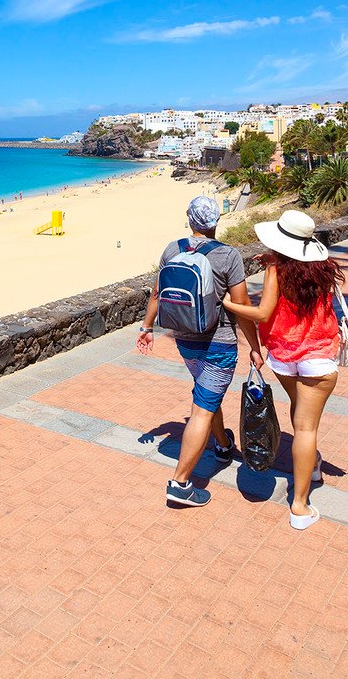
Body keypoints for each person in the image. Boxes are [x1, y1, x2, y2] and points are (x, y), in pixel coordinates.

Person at [222, 209, 345, 530]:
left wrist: (228, 303)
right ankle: (300, 506)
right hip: (317, 356)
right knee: (306, 428)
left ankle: (312, 465)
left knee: (298, 416)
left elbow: (262, 314)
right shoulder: (322, 270)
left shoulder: (277, 270)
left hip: (283, 356)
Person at [136, 195, 259, 508]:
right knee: (202, 407)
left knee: (206, 396)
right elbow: (243, 307)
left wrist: (147, 329)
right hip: (219, 342)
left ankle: (221, 444)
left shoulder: (172, 249)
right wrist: (256, 348)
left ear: (189, 219)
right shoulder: (228, 256)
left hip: (185, 338)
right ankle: (180, 483)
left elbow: (156, 293)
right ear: (216, 222)